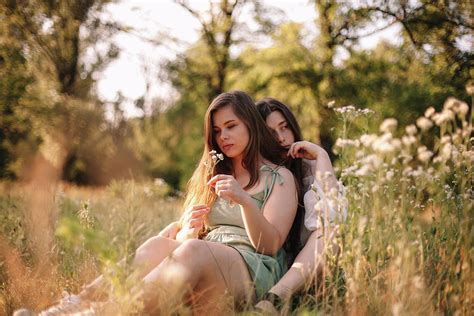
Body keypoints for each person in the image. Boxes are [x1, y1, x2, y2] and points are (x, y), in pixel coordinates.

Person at [16, 91, 299, 315]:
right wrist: (189, 229)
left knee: (195, 250)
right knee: (157, 244)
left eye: (230, 126)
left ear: (250, 123)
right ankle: (69, 307)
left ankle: (105, 312)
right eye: (216, 130)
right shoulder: (214, 172)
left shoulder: (279, 178)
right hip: (206, 258)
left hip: (252, 269)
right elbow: (190, 238)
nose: (222, 136)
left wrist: (245, 201)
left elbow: (270, 244)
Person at [254, 98, 348, 313]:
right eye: (270, 133)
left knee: (331, 232)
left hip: (314, 264)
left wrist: (321, 156)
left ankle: (275, 299)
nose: (281, 138)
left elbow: (333, 215)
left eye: (284, 127)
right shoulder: (258, 173)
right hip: (272, 262)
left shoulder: (311, 167)